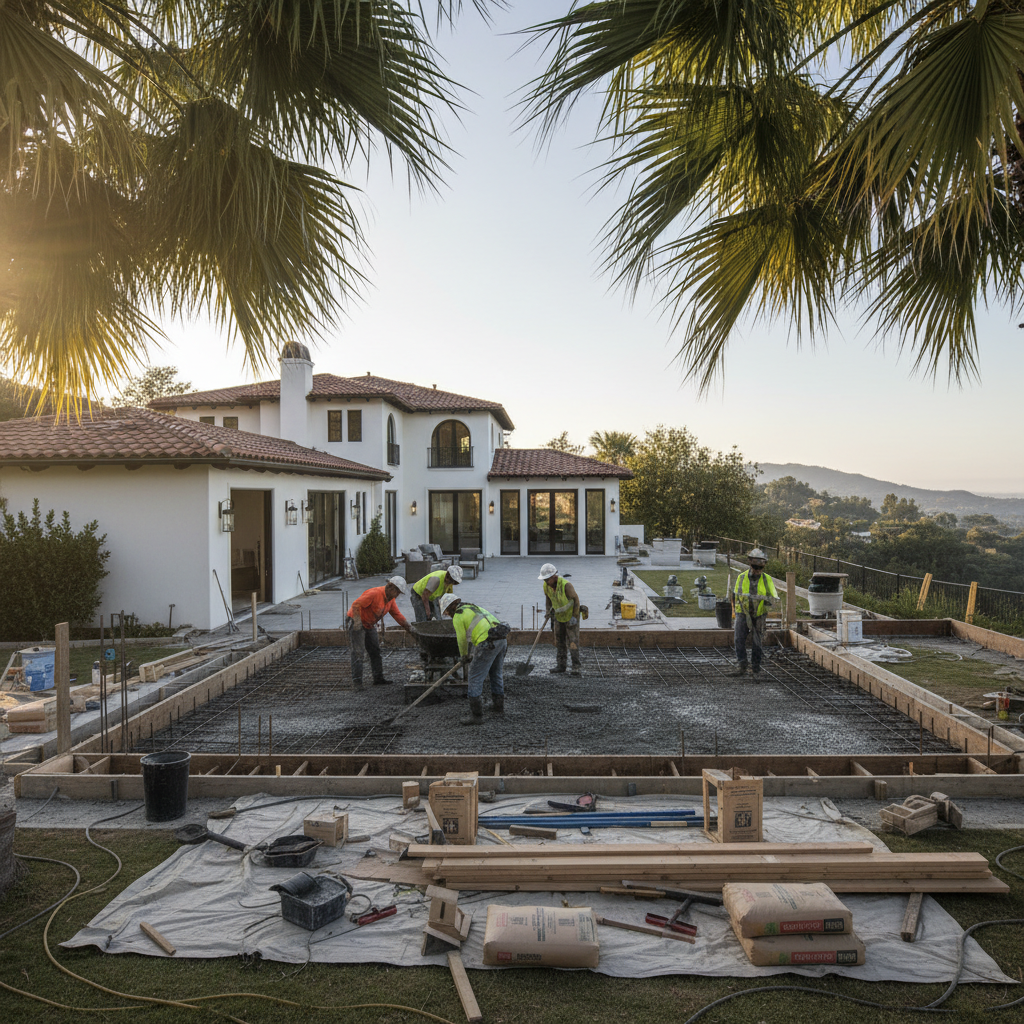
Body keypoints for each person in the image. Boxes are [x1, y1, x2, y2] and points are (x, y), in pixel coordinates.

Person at [440, 593, 507, 726]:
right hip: (501, 639)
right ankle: (498, 706)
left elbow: (461, 639)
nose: (448, 615)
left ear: (450, 607)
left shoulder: (458, 616)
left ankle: (476, 716)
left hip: (487, 643)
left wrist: (464, 656)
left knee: (474, 677)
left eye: (447, 612)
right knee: (496, 673)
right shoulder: (471, 607)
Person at [345, 576, 414, 688]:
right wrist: (357, 623)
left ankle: (378, 678)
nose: (397, 595)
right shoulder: (374, 593)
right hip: (356, 620)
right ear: (391, 587)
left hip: (369, 624)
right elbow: (356, 605)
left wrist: (409, 628)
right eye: (397, 592)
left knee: (375, 651)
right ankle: (357, 683)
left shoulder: (390, 600)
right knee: (358, 652)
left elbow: (397, 615)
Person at [729, 548, 778, 679]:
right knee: (739, 639)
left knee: (757, 642)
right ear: (750, 563)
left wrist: (767, 603)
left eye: (759, 567)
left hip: (759, 614)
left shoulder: (767, 579)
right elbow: (735, 595)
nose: (756, 570)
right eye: (754, 566)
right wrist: (735, 610)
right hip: (743, 613)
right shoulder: (742, 577)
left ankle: (755, 668)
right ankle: (742, 664)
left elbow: (773, 597)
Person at [538, 562, 581, 676]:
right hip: (558, 617)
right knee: (559, 641)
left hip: (571, 616)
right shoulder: (546, 586)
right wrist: (548, 611)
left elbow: (576, 600)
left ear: (554, 577)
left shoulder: (566, 585)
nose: (546, 582)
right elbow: (548, 598)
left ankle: (576, 667)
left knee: (572, 641)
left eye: (547, 579)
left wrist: (574, 617)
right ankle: (561, 666)